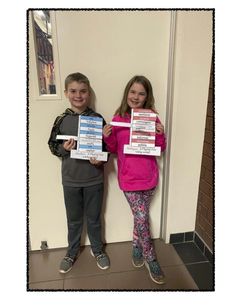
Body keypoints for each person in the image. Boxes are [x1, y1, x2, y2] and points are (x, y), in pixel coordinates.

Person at [103, 75, 166, 284]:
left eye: (141, 93)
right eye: (133, 92)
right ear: (127, 93)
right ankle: (151, 258)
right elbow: (113, 149)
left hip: (149, 177)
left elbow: (160, 148)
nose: (136, 96)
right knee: (142, 217)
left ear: (147, 96)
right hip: (128, 179)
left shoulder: (151, 117)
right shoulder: (118, 117)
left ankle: (136, 247)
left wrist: (160, 134)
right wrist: (107, 135)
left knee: (140, 216)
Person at [48, 72, 110, 274]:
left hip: (94, 179)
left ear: (89, 94)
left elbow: (107, 149)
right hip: (71, 181)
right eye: (73, 91)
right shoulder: (61, 119)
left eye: (83, 91)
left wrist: (100, 158)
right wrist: (65, 149)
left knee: (94, 218)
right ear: (66, 93)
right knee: (73, 220)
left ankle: (98, 250)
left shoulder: (97, 119)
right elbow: (52, 146)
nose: (78, 95)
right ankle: (71, 251)